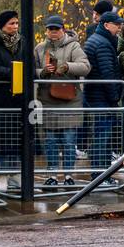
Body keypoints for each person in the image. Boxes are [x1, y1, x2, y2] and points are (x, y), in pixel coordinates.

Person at [34, 14, 91, 186]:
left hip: (70, 101)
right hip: (47, 100)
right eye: (50, 29)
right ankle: (51, 175)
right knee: (49, 141)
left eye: (56, 29)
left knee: (68, 140)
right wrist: (43, 72)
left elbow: (85, 67)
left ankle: (68, 176)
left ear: (63, 29)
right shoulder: (39, 48)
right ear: (46, 30)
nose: (53, 32)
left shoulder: (74, 46)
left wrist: (67, 67)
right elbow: (32, 70)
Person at [82, 10, 124, 178]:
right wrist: (115, 96)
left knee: (102, 137)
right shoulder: (103, 43)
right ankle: (100, 176)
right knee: (102, 138)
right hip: (102, 97)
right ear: (107, 25)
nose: (120, 28)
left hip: (97, 96)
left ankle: (101, 175)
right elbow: (107, 73)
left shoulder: (98, 39)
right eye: (117, 25)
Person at [0, 10, 24, 190]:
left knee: (18, 137)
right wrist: (11, 72)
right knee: (1, 137)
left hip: (19, 98)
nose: (15, 27)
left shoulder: (22, 41)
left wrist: (26, 73)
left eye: (16, 23)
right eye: (11, 23)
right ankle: (1, 174)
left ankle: (15, 173)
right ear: (2, 25)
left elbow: (29, 63)